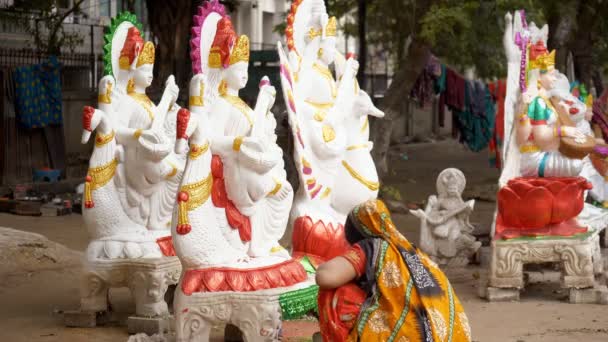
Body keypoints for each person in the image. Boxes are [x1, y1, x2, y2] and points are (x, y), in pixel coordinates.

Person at [315, 199, 471, 342]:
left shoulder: (373, 246)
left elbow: (326, 277)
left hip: (408, 335)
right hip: (451, 335)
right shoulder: (414, 251)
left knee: (339, 292)